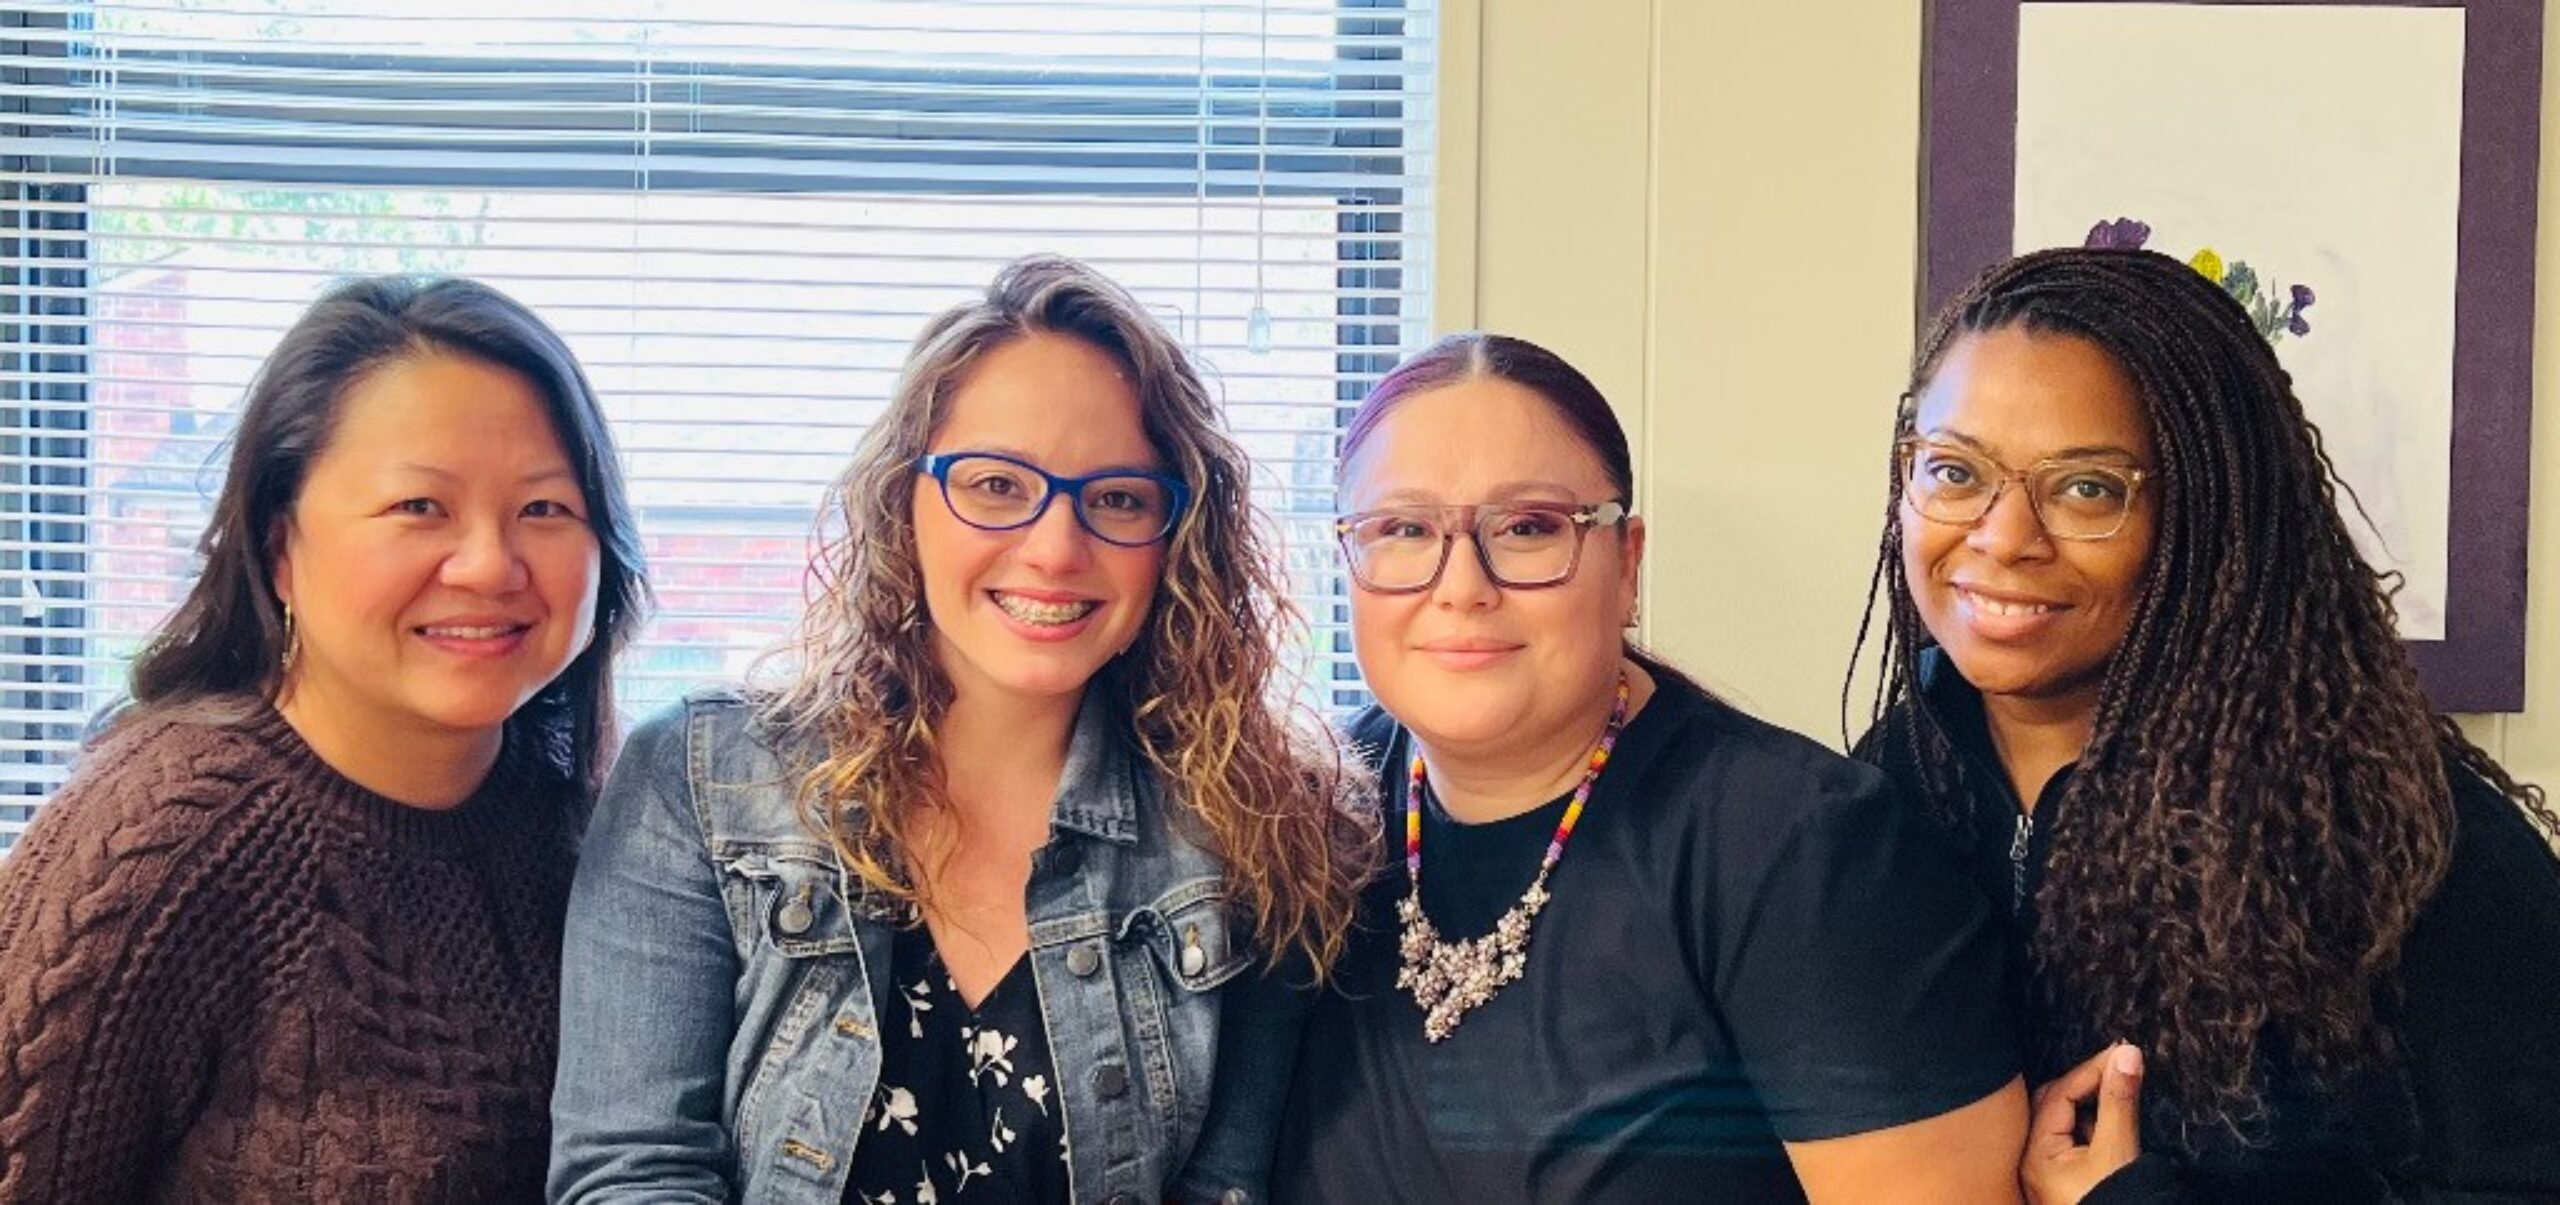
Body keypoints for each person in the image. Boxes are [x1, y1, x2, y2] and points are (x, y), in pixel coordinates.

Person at [549, 254, 1371, 1204]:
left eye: (1118, 499)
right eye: (994, 484)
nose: (1057, 547)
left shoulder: (1257, 828)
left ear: (1175, 536)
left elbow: (1223, 1189)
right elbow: (631, 1172)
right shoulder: (699, 780)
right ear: (907, 497)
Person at [1852, 246, 2560, 1203]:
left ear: (2207, 518)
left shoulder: (2403, 840)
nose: (2003, 535)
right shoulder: (1899, 781)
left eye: (2088, 487)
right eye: (1953, 469)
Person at [1272, 332, 2028, 1203]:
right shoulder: (1306, 820)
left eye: (1527, 527)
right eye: (1402, 528)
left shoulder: (1808, 855)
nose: (1463, 585)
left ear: (1626, 563)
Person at [0, 275, 648, 1201]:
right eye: (419, 506)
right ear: (279, 549)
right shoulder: (160, 848)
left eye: (544, 509)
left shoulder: (595, 825)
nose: (489, 564)